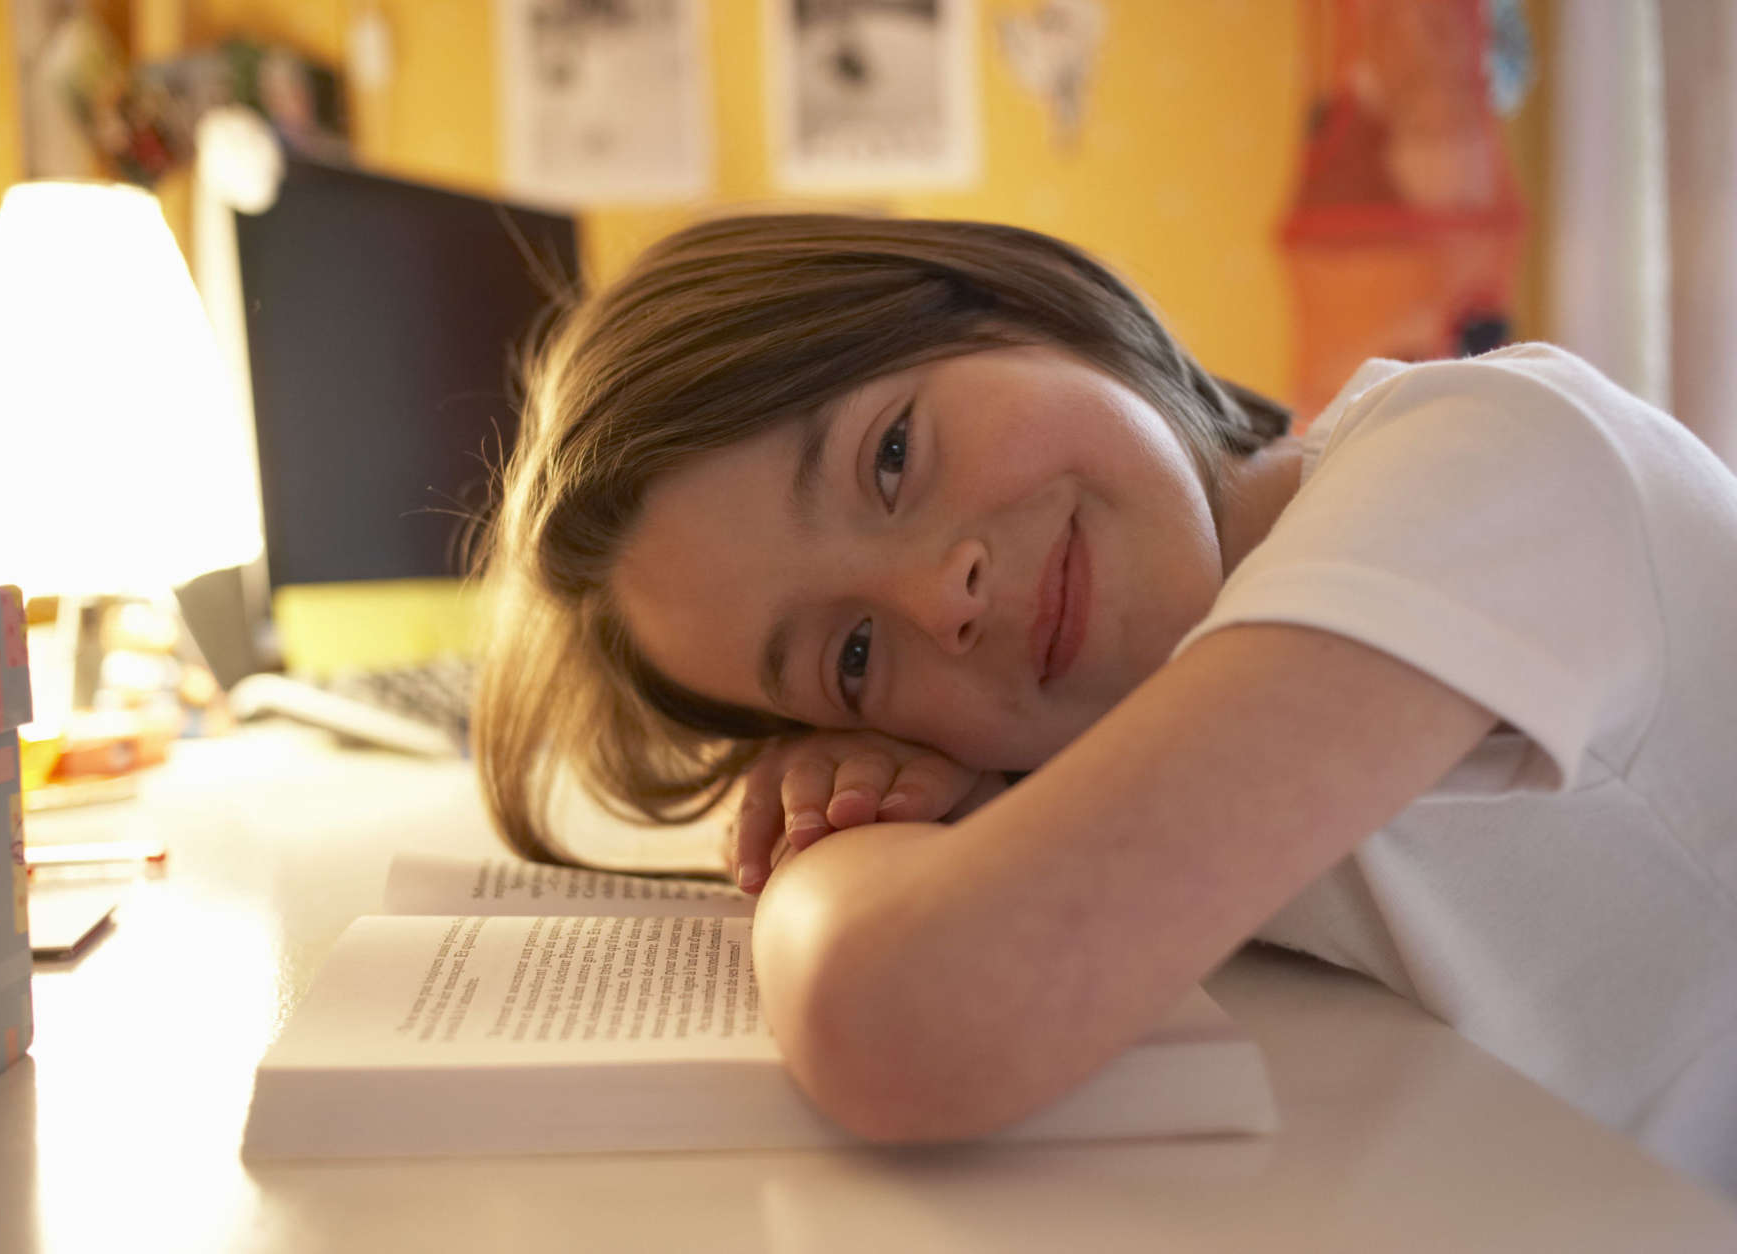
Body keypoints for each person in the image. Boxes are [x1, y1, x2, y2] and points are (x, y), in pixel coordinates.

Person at [469, 214, 1737, 1194]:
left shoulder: (1478, 468)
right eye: (853, 660)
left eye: (891, 455)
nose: (939, 595)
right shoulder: (1174, 690)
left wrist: (833, 852)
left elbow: (905, 1016)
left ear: (1015, 310)